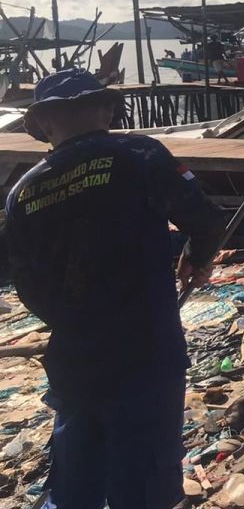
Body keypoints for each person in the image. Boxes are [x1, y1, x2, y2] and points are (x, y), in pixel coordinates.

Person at [4, 68, 226, 508]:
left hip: (74, 354)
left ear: (43, 124)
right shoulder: (139, 153)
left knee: (75, 473)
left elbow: (21, 277)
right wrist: (196, 258)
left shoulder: (23, 192)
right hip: (145, 346)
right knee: (144, 480)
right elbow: (206, 220)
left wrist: (70, 317)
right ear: (106, 110)